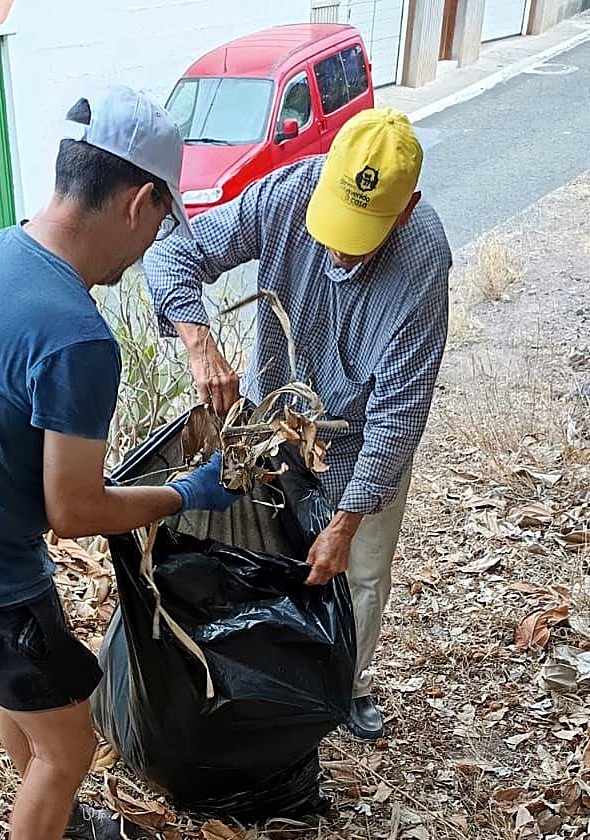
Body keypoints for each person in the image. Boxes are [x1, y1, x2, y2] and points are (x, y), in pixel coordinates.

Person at [0, 86, 239, 840]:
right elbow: (73, 512)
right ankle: (52, 816)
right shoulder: (78, 336)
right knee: (68, 751)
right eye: (159, 226)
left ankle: (62, 824)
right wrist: (184, 494)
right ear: (139, 202)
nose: (151, 247)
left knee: (32, 706)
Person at [144, 108, 451, 742]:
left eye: (360, 231)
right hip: (276, 420)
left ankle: (347, 681)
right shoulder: (286, 197)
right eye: (335, 222)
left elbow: (398, 414)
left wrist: (345, 521)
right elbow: (175, 257)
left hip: (365, 438)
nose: (338, 246)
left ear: (406, 207)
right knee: (263, 546)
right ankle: (259, 672)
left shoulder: (423, 266)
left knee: (360, 570)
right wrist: (201, 345)